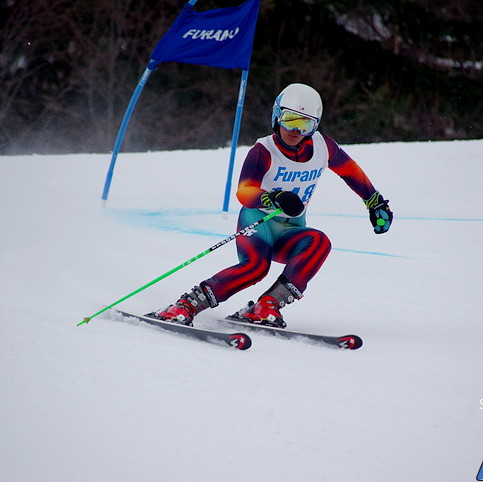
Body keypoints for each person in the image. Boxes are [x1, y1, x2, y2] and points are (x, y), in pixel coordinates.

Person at [150, 83, 393, 327]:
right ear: (277, 116)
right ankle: (186, 305)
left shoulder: (322, 147)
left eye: (305, 124)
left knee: (320, 243)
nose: (296, 130)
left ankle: (267, 306)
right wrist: (272, 197)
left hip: (290, 230)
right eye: (290, 120)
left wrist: (374, 202)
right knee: (256, 267)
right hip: (258, 221)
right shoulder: (263, 151)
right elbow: (244, 192)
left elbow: (350, 172)